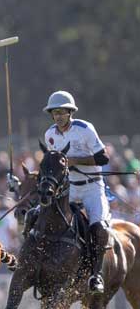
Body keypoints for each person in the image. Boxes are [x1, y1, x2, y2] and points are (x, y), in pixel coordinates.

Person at [43, 90, 111, 294]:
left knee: (98, 228)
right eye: (55, 113)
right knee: (45, 218)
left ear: (70, 112)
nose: (58, 117)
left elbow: (103, 158)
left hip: (92, 187)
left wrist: (74, 161)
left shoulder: (85, 129)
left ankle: (96, 275)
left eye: (62, 112)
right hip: (69, 189)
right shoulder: (50, 135)